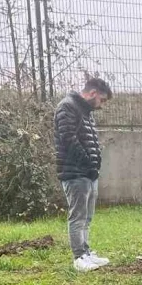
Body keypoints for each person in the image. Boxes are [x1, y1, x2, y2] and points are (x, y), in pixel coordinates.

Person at [54, 77, 113, 272]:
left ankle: (86, 253)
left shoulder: (85, 111)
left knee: (87, 216)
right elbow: (69, 139)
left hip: (88, 173)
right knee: (78, 216)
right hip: (75, 173)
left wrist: (94, 165)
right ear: (93, 93)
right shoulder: (68, 107)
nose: (101, 105)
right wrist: (88, 163)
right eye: (102, 100)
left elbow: (89, 141)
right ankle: (78, 257)